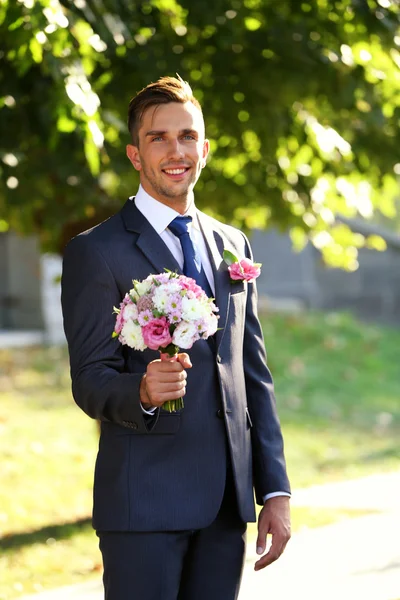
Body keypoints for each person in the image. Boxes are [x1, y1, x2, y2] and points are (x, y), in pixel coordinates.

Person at [61, 75, 291, 600]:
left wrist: (273, 489)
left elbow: (252, 375)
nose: (175, 150)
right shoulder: (96, 252)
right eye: (158, 138)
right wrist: (140, 392)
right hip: (143, 502)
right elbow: (90, 379)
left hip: (225, 507)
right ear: (135, 155)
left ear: (205, 150)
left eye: (187, 136)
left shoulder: (232, 244)